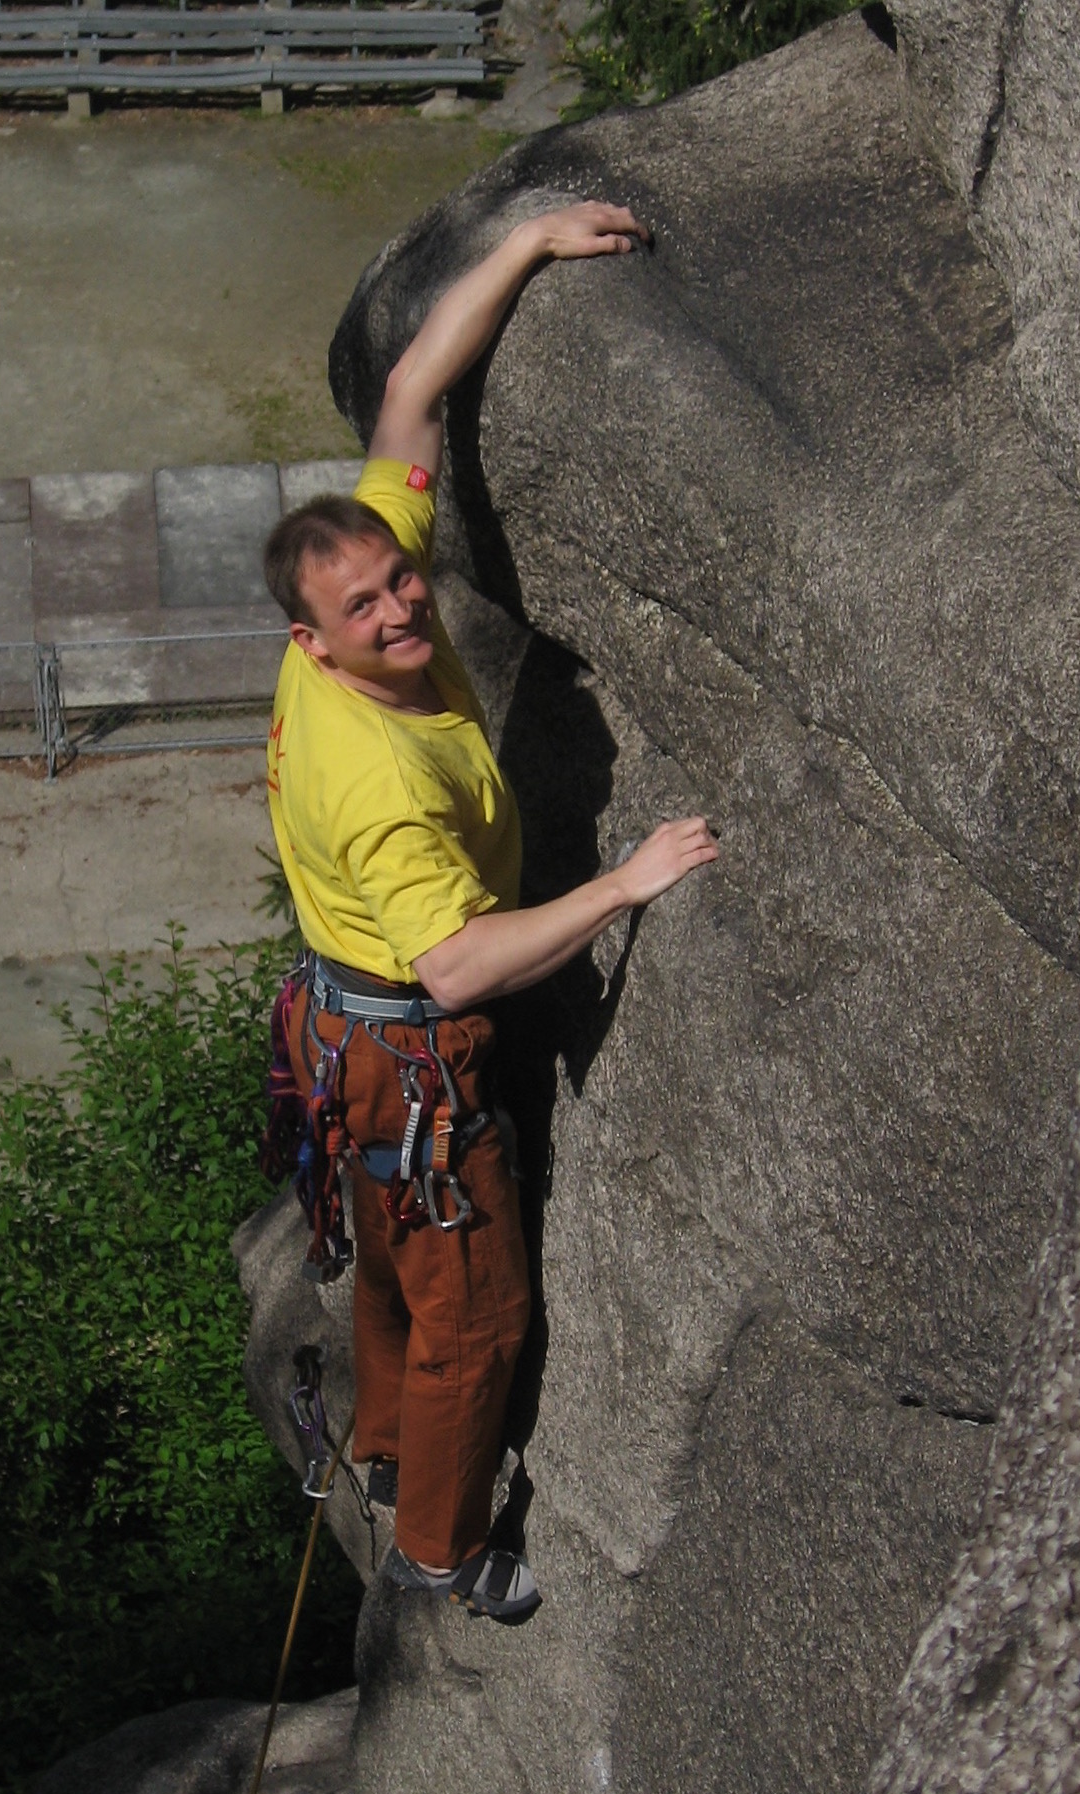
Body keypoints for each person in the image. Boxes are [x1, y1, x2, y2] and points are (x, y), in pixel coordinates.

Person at [261, 201, 720, 1622]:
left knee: (393, 1264)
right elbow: (460, 966)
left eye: (401, 577)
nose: (404, 607)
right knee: (477, 1311)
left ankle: (388, 1445)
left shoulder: (345, 614)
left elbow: (412, 390)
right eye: (366, 608)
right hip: (409, 1047)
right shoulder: (378, 778)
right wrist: (624, 884)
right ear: (313, 641)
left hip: (345, 1029)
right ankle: (442, 1549)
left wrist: (523, 243)